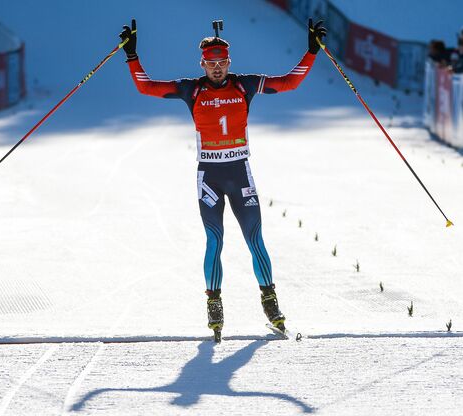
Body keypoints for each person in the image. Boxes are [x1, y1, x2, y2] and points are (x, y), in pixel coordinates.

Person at [119, 18, 326, 341]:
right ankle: (214, 305)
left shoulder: (243, 85)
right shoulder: (192, 89)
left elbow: (289, 83)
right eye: (211, 64)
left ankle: (271, 303)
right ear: (202, 64)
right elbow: (146, 86)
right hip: (210, 176)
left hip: (239, 172)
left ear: (229, 63)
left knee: (255, 239)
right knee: (214, 241)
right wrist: (131, 55)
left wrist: (311, 51)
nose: (217, 68)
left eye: (222, 63)